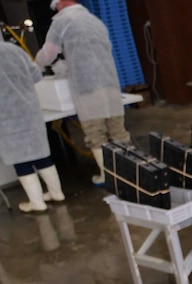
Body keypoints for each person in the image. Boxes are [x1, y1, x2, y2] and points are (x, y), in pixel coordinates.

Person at [35, 0, 130, 186]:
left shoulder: (62, 22)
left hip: (87, 87)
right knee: (118, 132)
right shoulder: (94, 20)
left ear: (60, 4)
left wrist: (36, 65)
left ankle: (108, 177)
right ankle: (129, 172)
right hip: (110, 84)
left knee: (96, 134)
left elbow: (49, 52)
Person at [0, 41, 66, 214]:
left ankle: (36, 202)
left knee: (21, 159)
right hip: (29, 109)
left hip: (5, 116)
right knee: (40, 154)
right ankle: (56, 193)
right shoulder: (13, 49)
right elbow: (36, 75)